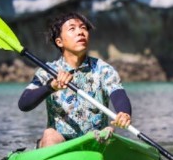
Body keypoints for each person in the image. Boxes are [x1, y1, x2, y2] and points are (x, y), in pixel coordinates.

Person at [18, 12, 132, 148]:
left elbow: (118, 94)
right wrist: (51, 87)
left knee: (108, 131)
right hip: (60, 142)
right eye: (72, 29)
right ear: (59, 42)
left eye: (83, 28)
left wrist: (124, 114)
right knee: (50, 135)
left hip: (95, 138)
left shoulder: (103, 69)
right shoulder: (47, 71)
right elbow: (24, 104)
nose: (80, 32)